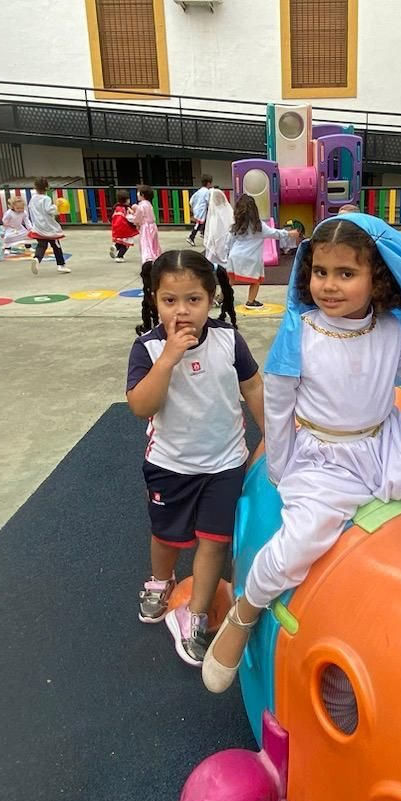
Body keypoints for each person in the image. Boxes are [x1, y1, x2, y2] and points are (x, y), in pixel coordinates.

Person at [201, 214, 401, 693]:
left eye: (346, 274)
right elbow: (279, 400)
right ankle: (244, 612)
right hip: (324, 454)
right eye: (321, 272)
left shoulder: (391, 330)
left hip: (386, 442)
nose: (329, 286)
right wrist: (283, 463)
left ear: (377, 279)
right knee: (301, 541)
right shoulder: (301, 330)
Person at [127, 251, 263, 666]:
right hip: (170, 465)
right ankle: (161, 580)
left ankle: (197, 613)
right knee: (167, 535)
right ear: (155, 300)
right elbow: (140, 405)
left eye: (193, 300)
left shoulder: (228, 340)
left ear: (212, 299)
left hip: (224, 465)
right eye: (170, 301)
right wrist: (169, 357)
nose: (182, 311)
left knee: (214, 541)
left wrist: (274, 435)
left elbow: (253, 387)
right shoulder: (149, 348)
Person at [226, 196, 298, 309]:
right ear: (254, 210)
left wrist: (228, 254)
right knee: (256, 280)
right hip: (252, 258)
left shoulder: (236, 226)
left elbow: (229, 242)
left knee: (231, 280)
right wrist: (289, 233)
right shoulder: (258, 226)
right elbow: (275, 233)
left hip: (234, 256)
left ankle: (221, 297)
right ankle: (251, 301)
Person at [26, 178, 70, 274]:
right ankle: (61, 265)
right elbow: (49, 210)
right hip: (49, 227)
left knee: (41, 245)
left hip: (38, 227)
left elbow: (30, 209)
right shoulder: (46, 199)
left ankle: (37, 258)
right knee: (56, 246)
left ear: (35, 187)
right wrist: (56, 206)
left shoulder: (33, 198)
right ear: (47, 187)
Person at [202, 187, 234, 270]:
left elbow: (212, 230)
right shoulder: (228, 208)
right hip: (227, 240)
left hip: (218, 240)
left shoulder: (214, 213)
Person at [134, 185, 162, 264]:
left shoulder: (141, 205)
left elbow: (138, 217)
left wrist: (135, 221)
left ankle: (147, 260)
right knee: (154, 243)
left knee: (146, 243)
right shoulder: (149, 204)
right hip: (152, 225)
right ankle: (156, 257)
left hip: (145, 227)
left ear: (142, 194)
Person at [109, 194, 138, 262]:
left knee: (120, 241)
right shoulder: (127, 208)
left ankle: (115, 247)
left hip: (117, 228)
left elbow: (111, 217)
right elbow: (130, 218)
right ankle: (120, 256)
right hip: (126, 228)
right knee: (126, 243)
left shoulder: (116, 207)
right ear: (126, 200)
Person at [187, 177, 213, 245]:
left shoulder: (199, 191)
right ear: (208, 183)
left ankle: (204, 234)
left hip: (197, 209)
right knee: (199, 224)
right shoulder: (207, 191)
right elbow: (208, 201)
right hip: (201, 210)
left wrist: (193, 207)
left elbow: (191, 200)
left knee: (204, 222)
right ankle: (191, 237)